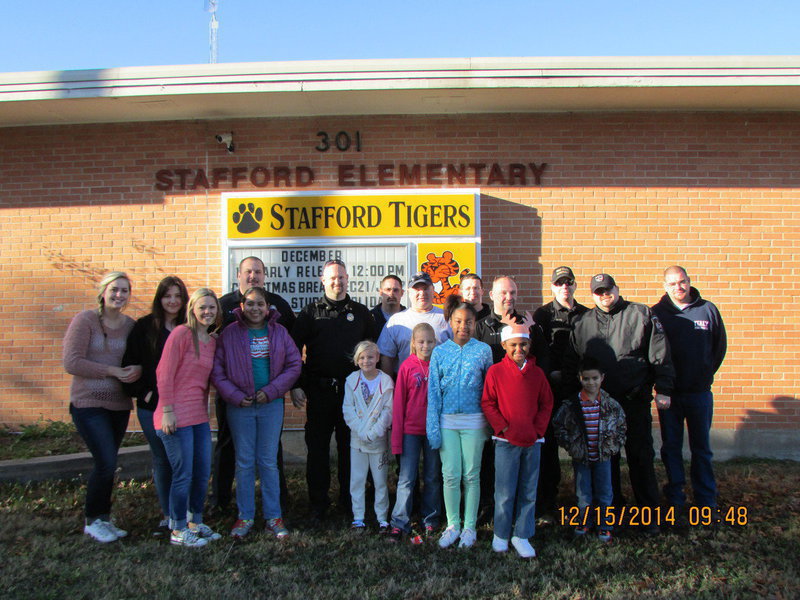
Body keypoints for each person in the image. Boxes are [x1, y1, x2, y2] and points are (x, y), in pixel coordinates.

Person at [567, 273, 675, 531]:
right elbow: (574, 362)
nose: (604, 295)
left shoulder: (641, 315)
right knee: (607, 459)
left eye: (608, 289)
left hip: (633, 401)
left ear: (616, 289)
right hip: (600, 406)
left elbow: (659, 353)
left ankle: (649, 515)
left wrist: (664, 388)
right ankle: (612, 511)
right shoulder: (583, 323)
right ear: (592, 295)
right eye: (598, 291)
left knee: (640, 456)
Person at [291, 259, 379, 522]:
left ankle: (349, 502)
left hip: (353, 394)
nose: (336, 282)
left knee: (350, 449)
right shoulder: (309, 312)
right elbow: (293, 350)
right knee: (317, 450)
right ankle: (318, 504)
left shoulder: (361, 313)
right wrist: (297, 383)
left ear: (347, 278)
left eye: (341, 277)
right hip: (319, 393)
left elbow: (373, 350)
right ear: (322, 279)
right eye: (332, 278)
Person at [211, 287, 302, 539]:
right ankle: (245, 516)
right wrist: (235, 396)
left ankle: (273, 516)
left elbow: (294, 365)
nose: (255, 308)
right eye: (249, 304)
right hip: (240, 406)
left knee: (268, 461)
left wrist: (272, 391)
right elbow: (217, 371)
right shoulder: (229, 334)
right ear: (241, 306)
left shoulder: (280, 332)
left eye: (260, 304)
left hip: (270, 405)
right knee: (244, 461)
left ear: (267, 307)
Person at [63, 271, 140, 543]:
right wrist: (112, 371)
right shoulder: (86, 321)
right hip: (88, 403)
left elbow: (137, 357)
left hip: (119, 405)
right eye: (114, 289)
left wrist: (136, 369)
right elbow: (72, 362)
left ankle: (104, 519)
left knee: (109, 462)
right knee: (106, 461)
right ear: (103, 292)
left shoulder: (130, 326)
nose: (119, 295)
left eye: (124, 291)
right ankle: (93, 519)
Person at [474, 275, 549, 522]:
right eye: (503, 293)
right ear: (492, 295)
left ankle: (526, 511)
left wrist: (533, 331)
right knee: (488, 460)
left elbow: (540, 363)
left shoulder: (527, 324)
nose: (509, 298)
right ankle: (489, 506)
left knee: (524, 466)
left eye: (513, 293)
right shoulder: (481, 326)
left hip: (522, 410)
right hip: (491, 405)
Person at [652, 266, 727, 513]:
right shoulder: (657, 314)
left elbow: (718, 348)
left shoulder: (708, 310)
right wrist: (662, 386)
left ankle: (706, 499)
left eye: (682, 282)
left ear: (689, 281)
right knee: (671, 447)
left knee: (701, 448)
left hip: (699, 393)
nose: (678, 287)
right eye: (672, 284)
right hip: (669, 395)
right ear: (665, 286)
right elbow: (652, 352)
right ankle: (675, 496)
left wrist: (703, 373)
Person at [155, 287, 222, 547]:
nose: (207, 311)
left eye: (212, 307)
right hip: (174, 415)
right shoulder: (182, 334)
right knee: (182, 474)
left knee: (202, 470)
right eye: (202, 307)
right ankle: (178, 528)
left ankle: (196, 520)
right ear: (192, 309)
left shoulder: (212, 340)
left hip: (198, 416)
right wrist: (168, 411)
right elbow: (164, 373)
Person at [122, 275, 189, 530]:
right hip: (153, 407)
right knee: (163, 458)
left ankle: (183, 511)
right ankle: (168, 513)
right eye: (167, 295)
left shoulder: (190, 327)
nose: (172, 301)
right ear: (159, 299)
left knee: (183, 460)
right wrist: (144, 393)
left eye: (177, 296)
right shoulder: (144, 327)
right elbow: (129, 365)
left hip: (184, 407)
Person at [481, 322, 553, 558]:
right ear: (504, 345)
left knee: (528, 490)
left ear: (530, 345)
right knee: (504, 491)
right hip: (505, 442)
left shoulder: (537, 373)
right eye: (513, 345)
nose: (518, 349)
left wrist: (537, 430)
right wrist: (502, 427)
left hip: (532, 441)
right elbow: (488, 403)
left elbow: (546, 403)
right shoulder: (495, 372)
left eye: (523, 344)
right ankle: (500, 534)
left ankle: (521, 534)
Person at [427, 296, 493, 549]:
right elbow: (433, 392)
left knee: (471, 475)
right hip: (447, 423)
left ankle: (470, 528)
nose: (463, 326)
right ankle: (453, 524)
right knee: (450, 475)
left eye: (468, 321)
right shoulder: (440, 352)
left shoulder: (483, 351)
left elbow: (490, 389)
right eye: (458, 321)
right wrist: (433, 427)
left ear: (475, 323)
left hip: (475, 421)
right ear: (450, 322)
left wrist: (489, 422)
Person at [532, 266, 589, 524]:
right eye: (559, 283)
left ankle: (587, 502)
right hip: (552, 390)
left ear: (575, 285)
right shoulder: (542, 315)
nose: (564, 287)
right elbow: (539, 352)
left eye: (569, 283)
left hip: (581, 390)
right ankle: (547, 503)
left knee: (584, 446)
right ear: (552, 287)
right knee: (549, 448)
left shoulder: (587, 314)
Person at [553, 357, 626, 543]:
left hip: (603, 457)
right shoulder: (572, 405)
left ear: (602, 378)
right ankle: (585, 522)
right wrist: (571, 446)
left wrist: (613, 447)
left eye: (595, 378)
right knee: (583, 493)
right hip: (581, 457)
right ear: (580, 378)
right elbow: (559, 426)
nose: (591, 382)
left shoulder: (611, 404)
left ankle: (605, 526)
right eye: (586, 379)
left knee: (605, 493)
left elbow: (621, 426)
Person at [388, 323, 442, 541]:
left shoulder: (439, 365)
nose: (425, 345)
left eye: (430, 341)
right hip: (410, 431)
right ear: (413, 343)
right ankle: (400, 521)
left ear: (435, 342)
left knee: (432, 476)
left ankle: (430, 519)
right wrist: (396, 440)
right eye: (421, 341)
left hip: (433, 432)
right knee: (407, 478)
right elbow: (399, 404)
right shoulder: (407, 366)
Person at [342, 341, 394, 532]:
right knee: (357, 479)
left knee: (380, 480)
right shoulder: (351, 381)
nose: (366, 361)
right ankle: (358, 517)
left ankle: (382, 517)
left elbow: (388, 411)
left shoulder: (386, 382)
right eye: (362, 357)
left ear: (378, 358)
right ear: (357, 360)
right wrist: (361, 431)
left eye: (370, 357)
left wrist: (373, 433)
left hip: (378, 440)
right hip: (357, 440)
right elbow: (348, 409)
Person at [378, 271, 451, 378]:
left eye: (425, 288)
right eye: (417, 289)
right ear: (408, 292)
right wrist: (389, 388)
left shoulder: (447, 318)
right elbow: (387, 358)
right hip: (407, 387)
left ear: (433, 290)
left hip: (440, 385)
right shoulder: (396, 321)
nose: (422, 293)